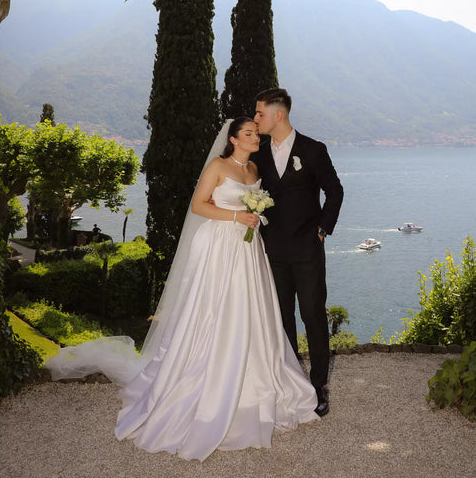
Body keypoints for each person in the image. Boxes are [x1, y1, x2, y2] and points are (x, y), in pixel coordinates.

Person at [45, 117, 318, 461]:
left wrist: (256, 216)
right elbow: (199, 206)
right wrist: (237, 217)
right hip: (219, 245)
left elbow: (255, 203)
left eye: (255, 133)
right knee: (215, 309)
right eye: (248, 134)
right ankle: (206, 379)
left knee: (252, 309)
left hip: (248, 249)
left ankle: (257, 377)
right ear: (233, 138)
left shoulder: (252, 169)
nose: (255, 137)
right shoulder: (218, 166)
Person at [252, 88, 344, 417]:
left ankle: (319, 385)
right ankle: (292, 381)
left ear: (279, 114)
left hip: (307, 250)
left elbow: (335, 191)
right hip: (272, 251)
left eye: (260, 113)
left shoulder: (313, 150)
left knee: (313, 316)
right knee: (282, 318)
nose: (256, 119)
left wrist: (322, 231)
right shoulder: (258, 154)